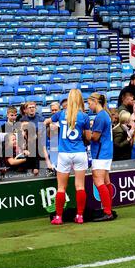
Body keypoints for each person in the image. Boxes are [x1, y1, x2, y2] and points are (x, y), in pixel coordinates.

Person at [44, 89, 91, 225]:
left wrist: (52, 126)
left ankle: (58, 217)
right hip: (79, 152)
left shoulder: (60, 114)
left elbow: (47, 122)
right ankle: (80, 216)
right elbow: (88, 137)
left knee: (61, 187)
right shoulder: (84, 116)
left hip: (64, 153)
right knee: (80, 186)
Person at [87, 93, 115, 221]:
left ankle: (107, 211)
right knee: (106, 181)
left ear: (95, 101)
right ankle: (108, 208)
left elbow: (95, 137)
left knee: (98, 181)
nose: (89, 105)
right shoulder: (105, 114)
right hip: (107, 152)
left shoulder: (100, 116)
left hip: (100, 153)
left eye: (89, 103)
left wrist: (85, 132)